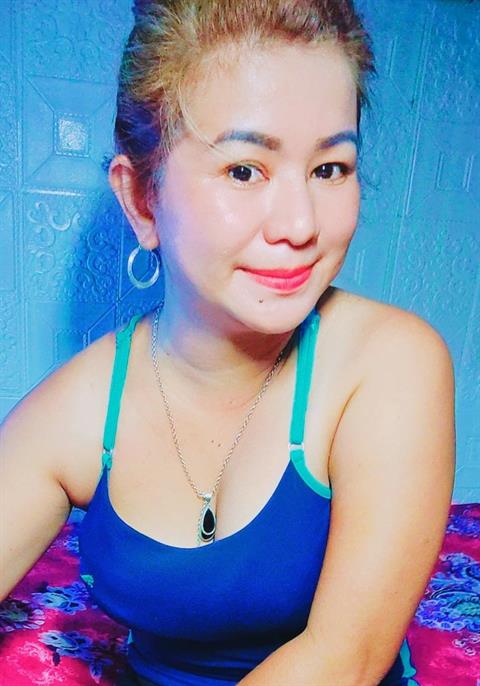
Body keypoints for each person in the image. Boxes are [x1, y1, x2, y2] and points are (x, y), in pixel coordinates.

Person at [0, 1, 456, 684]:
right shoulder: (77, 412)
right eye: (245, 170)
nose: (301, 225)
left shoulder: (391, 364)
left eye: (330, 168)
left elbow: (345, 659)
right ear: (142, 199)